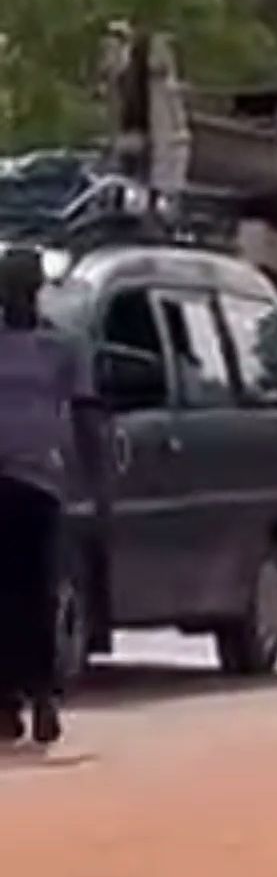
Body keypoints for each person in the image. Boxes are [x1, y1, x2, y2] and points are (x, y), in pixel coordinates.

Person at [0, 250, 90, 747]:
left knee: (37, 594)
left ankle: (42, 696)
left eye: (21, 285)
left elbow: (84, 413)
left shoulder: (60, 347)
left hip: (40, 484)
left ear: (35, 289)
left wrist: (97, 484)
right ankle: (7, 701)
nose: (14, 294)